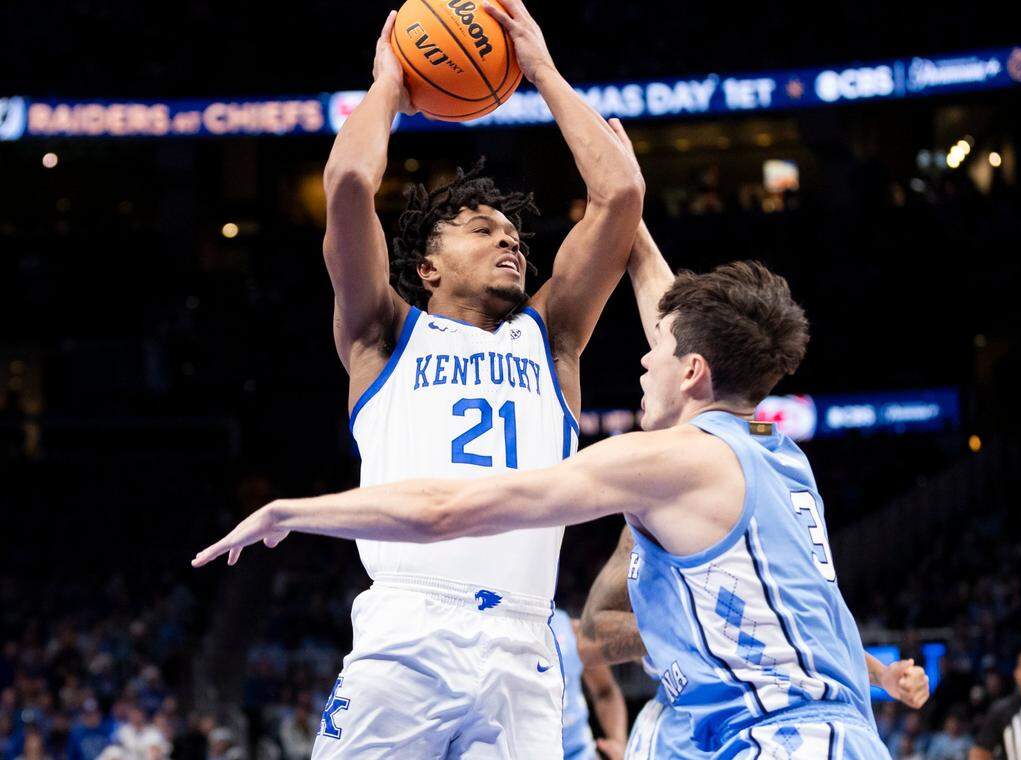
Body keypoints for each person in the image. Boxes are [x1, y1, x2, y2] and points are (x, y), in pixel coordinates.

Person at [195, 250, 905, 757]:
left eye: (659, 354)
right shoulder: (779, 456)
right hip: (823, 732)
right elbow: (811, 609)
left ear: (692, 373)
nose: (642, 359)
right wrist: (627, 226)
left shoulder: (668, 459)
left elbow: (447, 508)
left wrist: (293, 510)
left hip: (781, 741)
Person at [210, 0, 643, 754]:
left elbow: (621, 199)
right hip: (409, 627)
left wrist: (539, 69)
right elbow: (348, 182)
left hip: (524, 637)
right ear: (427, 266)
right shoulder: (383, 331)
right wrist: (390, 86)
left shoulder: (554, 339)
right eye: (483, 230)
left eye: (514, 235)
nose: (510, 242)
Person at [575, 191, 930, 758]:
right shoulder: (670, 487)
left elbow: (798, 614)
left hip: (768, 726)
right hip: (701, 719)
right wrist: (626, 207)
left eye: (661, 354)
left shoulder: (744, 460)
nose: (646, 361)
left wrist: (873, 673)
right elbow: (593, 634)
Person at [548, 609, 627, 760]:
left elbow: (606, 691)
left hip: (580, 753)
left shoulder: (571, 629)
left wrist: (619, 743)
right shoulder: (495, 633)